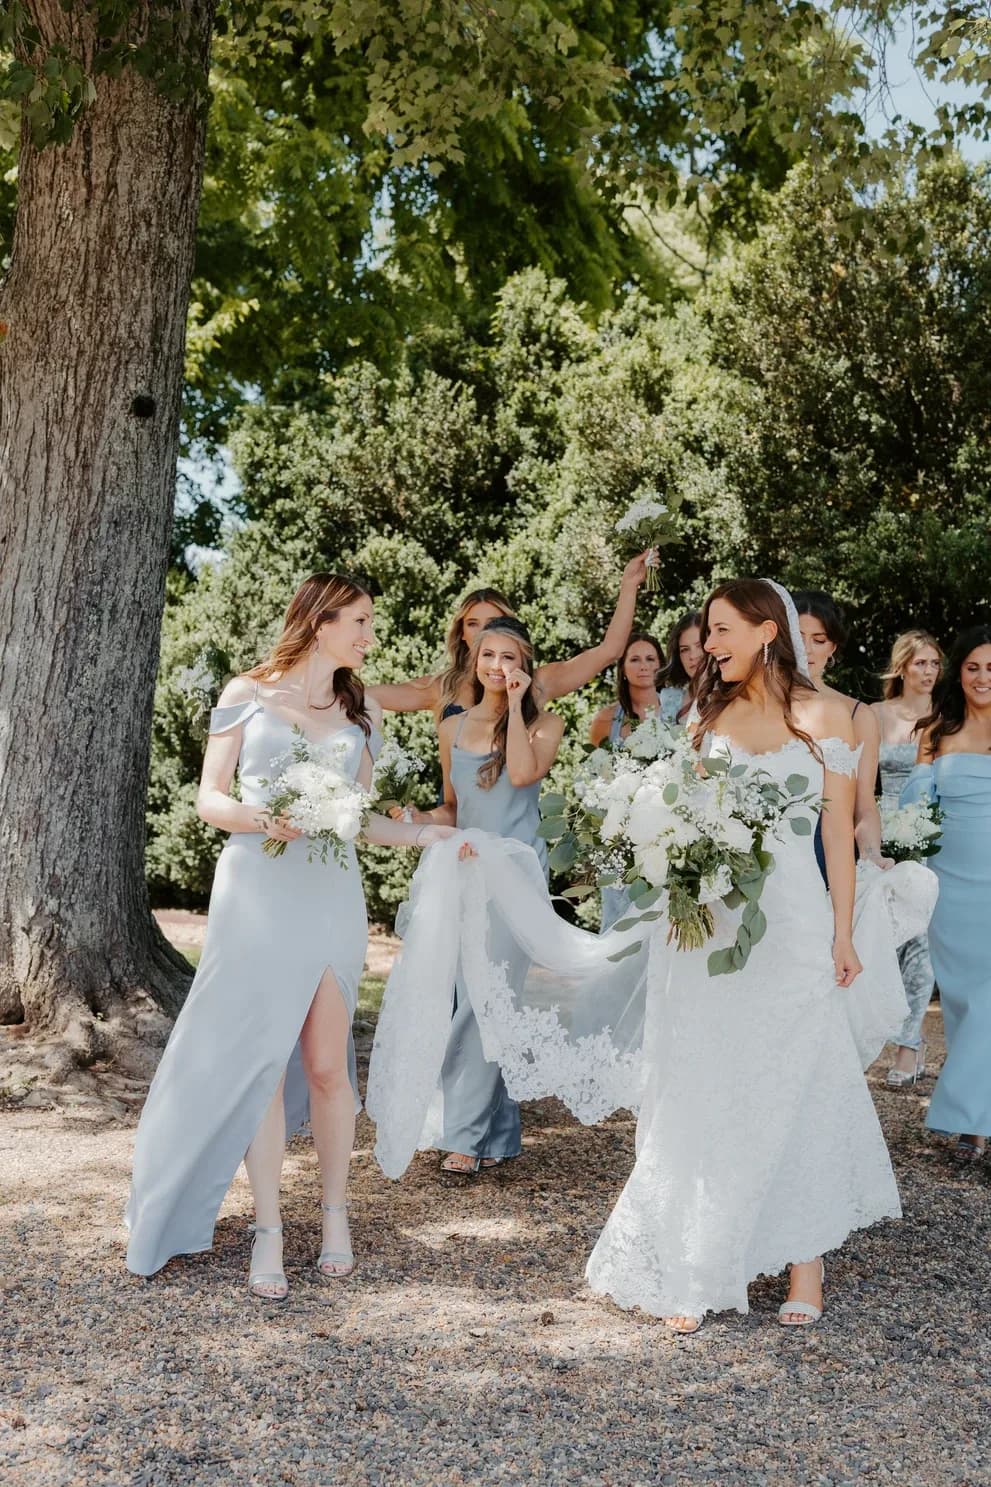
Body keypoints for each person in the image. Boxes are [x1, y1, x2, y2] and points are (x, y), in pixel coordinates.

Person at [126, 575, 458, 1297]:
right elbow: (209, 798)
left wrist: (422, 834)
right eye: (361, 620)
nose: (370, 635)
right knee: (262, 1066)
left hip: (330, 891)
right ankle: (268, 1227)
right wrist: (259, 816)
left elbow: (358, 818)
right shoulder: (244, 692)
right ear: (319, 619)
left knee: (328, 1065)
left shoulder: (360, 709)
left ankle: (335, 1214)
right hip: (255, 890)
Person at [585, 579, 900, 1331]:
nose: (709, 645)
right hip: (711, 923)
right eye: (707, 633)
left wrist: (843, 930)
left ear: (766, 630)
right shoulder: (707, 710)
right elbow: (681, 809)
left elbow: (833, 833)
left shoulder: (830, 716)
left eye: (721, 630)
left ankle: (804, 1259)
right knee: (708, 1074)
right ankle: (696, 1258)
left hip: (791, 917)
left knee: (795, 1072)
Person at [394, 615, 564, 1175]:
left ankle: (463, 1137)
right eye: (488, 655)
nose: (496, 666)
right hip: (463, 873)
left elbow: (519, 776)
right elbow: (454, 806)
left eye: (509, 658)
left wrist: (515, 708)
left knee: (487, 1001)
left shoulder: (547, 725)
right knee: (472, 997)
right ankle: (498, 1134)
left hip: (516, 875)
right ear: (475, 660)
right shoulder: (451, 726)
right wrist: (418, 818)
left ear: (525, 664)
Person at [367, 552, 654, 721]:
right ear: (463, 634)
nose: (483, 632)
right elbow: (368, 696)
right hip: (455, 817)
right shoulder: (442, 688)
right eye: (473, 624)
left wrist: (629, 585)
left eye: (492, 622)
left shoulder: (538, 684)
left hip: (516, 816)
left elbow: (610, 650)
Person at [902, 625, 991, 1162]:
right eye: (975, 667)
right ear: (959, 671)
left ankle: (966, 1119)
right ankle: (976, 1127)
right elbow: (916, 806)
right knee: (961, 1003)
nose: (984, 678)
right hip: (950, 886)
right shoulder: (936, 729)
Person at [870, 631, 943, 1086]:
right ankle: (867, 1036)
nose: (929, 671)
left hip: (933, 832)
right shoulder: (875, 715)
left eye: (935, 663)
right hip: (883, 832)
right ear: (902, 667)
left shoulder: (948, 716)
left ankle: (908, 1047)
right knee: (880, 939)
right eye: (920, 663)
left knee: (923, 944)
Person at [793, 591, 887, 873]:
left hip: (827, 851)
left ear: (832, 648)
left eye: (819, 640)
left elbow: (864, 804)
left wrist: (871, 854)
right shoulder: (757, 706)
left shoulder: (858, 715)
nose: (807, 649)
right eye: (798, 637)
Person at [588, 631, 666, 748]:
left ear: (660, 665)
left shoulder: (679, 711)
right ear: (623, 668)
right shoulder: (604, 720)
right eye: (635, 660)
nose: (644, 667)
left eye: (650, 659)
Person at [657, 610, 704, 723]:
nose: (692, 656)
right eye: (685, 649)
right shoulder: (671, 700)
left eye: (699, 646)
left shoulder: (732, 696)